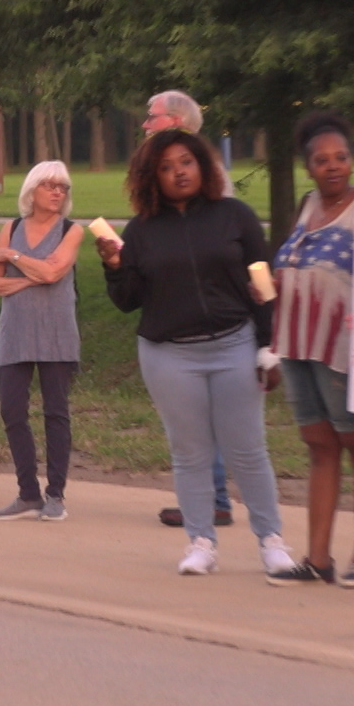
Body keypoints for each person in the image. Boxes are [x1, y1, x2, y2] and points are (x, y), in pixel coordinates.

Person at [97, 130, 299, 578]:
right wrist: (113, 266)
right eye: (166, 167)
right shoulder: (142, 230)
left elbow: (262, 283)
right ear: (153, 178)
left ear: (202, 166)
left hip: (234, 345)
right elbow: (129, 299)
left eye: (185, 162)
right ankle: (201, 541)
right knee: (190, 452)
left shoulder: (235, 216)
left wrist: (269, 346)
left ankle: (272, 541)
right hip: (169, 355)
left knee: (247, 448)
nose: (178, 173)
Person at [265, 112, 354, 587]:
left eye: (342, 157)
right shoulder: (307, 206)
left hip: (343, 347)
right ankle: (318, 559)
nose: (334, 166)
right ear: (308, 167)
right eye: (322, 160)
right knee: (319, 446)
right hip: (297, 343)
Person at [142, 89, 233, 531]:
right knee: (190, 415)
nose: (146, 125)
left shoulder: (203, 173)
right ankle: (205, 498)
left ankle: (213, 501)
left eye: (153, 117)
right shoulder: (182, 170)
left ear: (177, 122)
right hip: (179, 308)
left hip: (205, 315)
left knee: (198, 416)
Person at [0, 161, 85, 522]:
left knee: (56, 411)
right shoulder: (10, 227)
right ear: (32, 190)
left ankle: (55, 493)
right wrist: (31, 277)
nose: (58, 192)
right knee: (12, 410)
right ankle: (28, 493)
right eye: (50, 185)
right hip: (17, 331)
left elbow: (55, 271)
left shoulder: (72, 230)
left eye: (63, 187)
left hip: (57, 332)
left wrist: (12, 257)